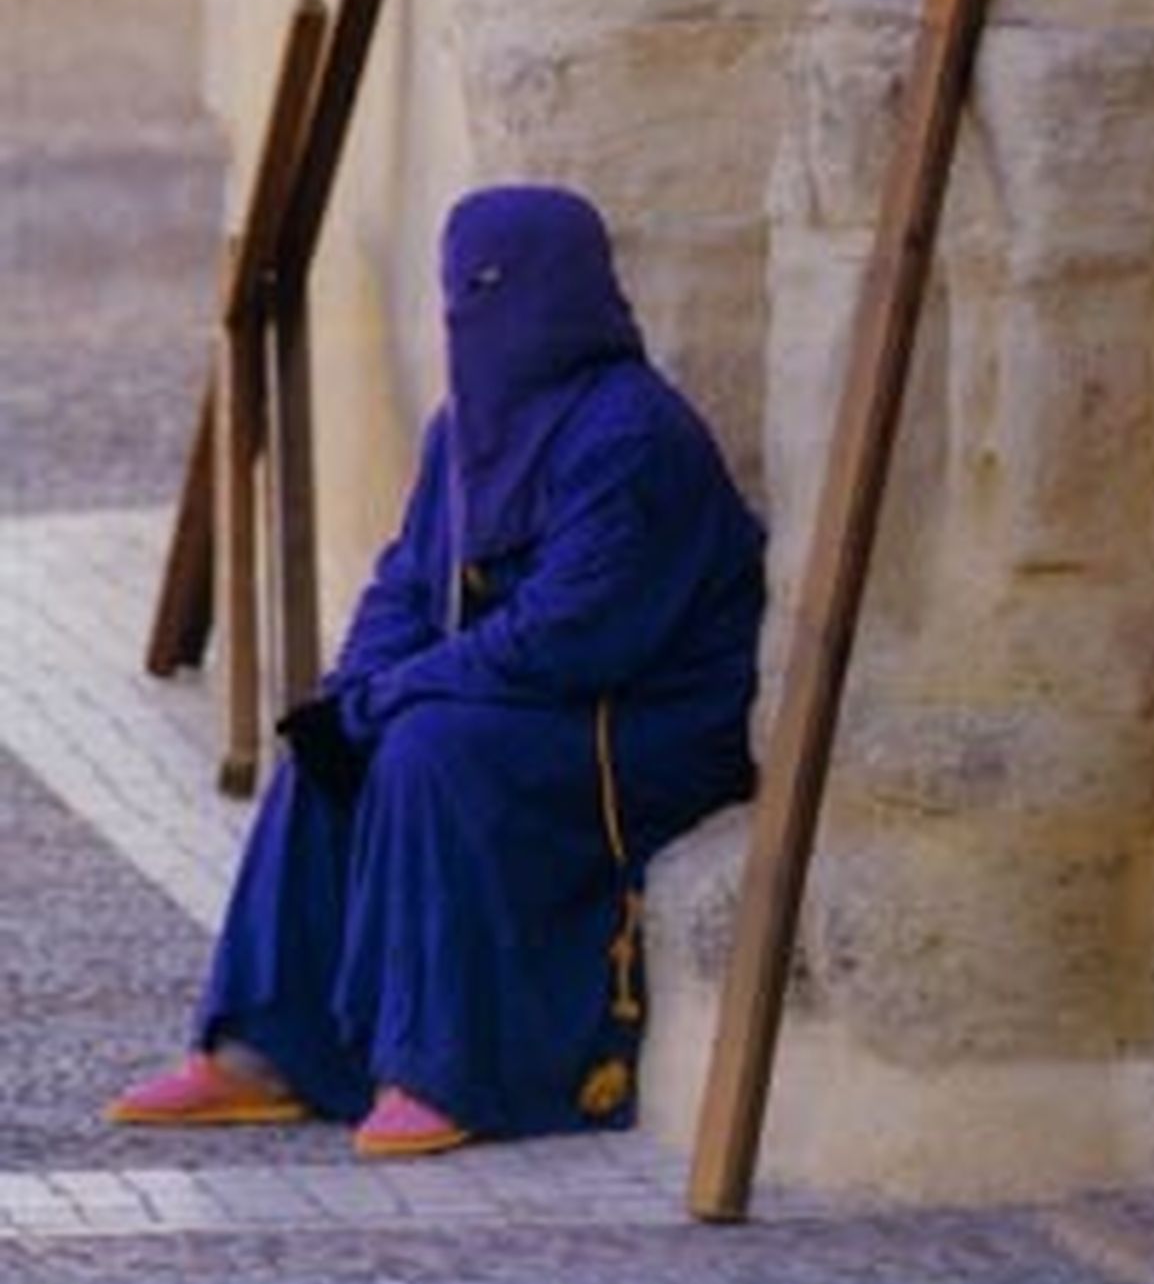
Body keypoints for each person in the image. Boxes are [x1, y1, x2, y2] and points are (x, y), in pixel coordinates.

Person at [107, 184, 765, 1156]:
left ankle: (442, 1067)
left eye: (494, 291)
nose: (468, 316)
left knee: (427, 751)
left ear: (562, 291)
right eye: (458, 292)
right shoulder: (466, 430)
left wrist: (396, 694)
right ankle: (267, 1050)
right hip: (523, 695)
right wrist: (354, 692)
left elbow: (572, 635)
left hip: (644, 716)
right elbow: (409, 585)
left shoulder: (633, 436)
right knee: (327, 746)